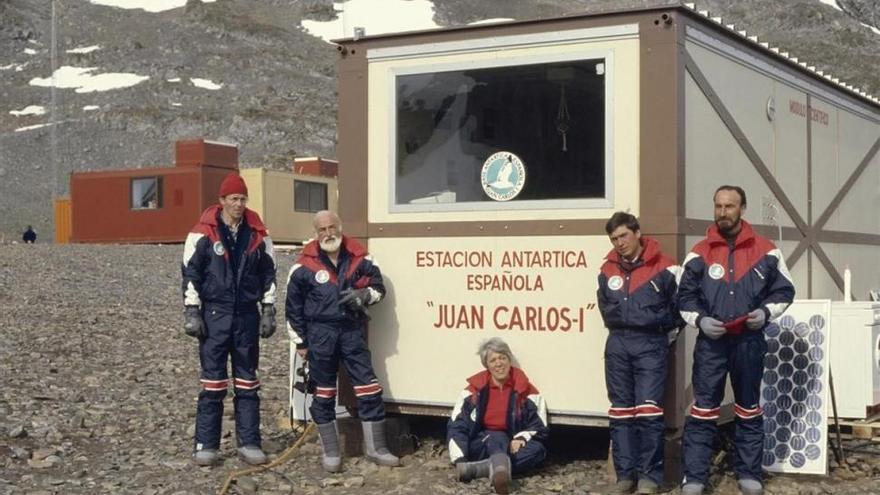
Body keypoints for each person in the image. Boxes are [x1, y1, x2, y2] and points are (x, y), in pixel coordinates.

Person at [678, 186, 795, 495]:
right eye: (718, 206)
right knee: (703, 410)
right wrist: (700, 320)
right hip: (711, 345)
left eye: (729, 206)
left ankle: (749, 473)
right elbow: (684, 297)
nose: (722, 212)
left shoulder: (767, 251)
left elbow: (785, 291)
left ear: (743, 208)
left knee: (748, 408)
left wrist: (765, 313)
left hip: (749, 341)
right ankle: (694, 477)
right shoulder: (699, 252)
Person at [285, 210, 399, 472]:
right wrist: (301, 342)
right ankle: (332, 452)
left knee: (369, 387)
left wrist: (363, 295)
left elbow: (379, 289)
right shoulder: (302, 266)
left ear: (340, 227)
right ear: (316, 233)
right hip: (320, 335)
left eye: (332, 227)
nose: (328, 233)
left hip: (351, 332)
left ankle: (377, 449)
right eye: (322, 229)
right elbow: (293, 308)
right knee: (323, 393)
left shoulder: (361, 257)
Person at [181, 172, 277, 466]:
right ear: (222, 200)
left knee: (248, 383)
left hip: (247, 315)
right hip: (214, 315)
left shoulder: (259, 234)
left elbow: (269, 273)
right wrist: (192, 311)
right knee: (213, 384)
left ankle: (249, 443)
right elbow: (190, 274)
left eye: (242, 198)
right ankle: (205, 445)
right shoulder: (202, 233)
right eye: (233, 198)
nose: (239, 203)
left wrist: (269, 309)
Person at [597, 212, 682, 494]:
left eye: (623, 235)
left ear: (637, 232)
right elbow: (603, 306)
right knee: (621, 412)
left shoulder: (666, 267)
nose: (619, 243)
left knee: (648, 413)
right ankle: (625, 476)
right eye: (614, 239)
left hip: (650, 345)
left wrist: (660, 337)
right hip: (617, 343)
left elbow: (680, 310)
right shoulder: (607, 270)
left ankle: (649, 477)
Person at [447, 337, 548, 495]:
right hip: (482, 442)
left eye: (502, 358)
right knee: (497, 436)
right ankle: (500, 470)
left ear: (509, 360)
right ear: (487, 365)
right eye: (493, 360)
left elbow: (540, 427)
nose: (499, 363)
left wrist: (521, 438)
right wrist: (459, 459)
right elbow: (457, 426)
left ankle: (483, 468)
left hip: (512, 444)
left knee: (538, 451)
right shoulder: (472, 392)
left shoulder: (526, 390)